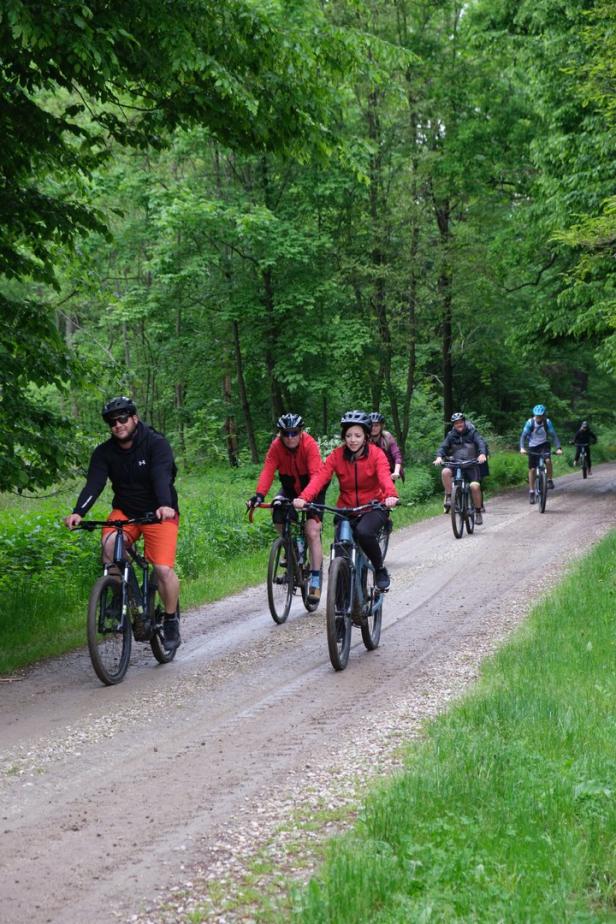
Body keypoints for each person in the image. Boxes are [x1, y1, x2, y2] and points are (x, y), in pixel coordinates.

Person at [64, 396, 181, 650]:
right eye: (112, 421)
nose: (118, 424)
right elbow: (94, 484)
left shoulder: (155, 443)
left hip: (159, 513)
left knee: (162, 569)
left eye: (123, 418)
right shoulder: (104, 452)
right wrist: (78, 512)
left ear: (134, 418)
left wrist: (164, 505)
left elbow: (162, 476)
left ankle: (171, 620)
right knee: (109, 549)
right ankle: (120, 596)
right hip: (125, 511)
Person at [293, 410, 398, 590]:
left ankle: (379, 569)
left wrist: (390, 495)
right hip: (346, 509)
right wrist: (304, 498)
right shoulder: (337, 455)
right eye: (348, 435)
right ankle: (341, 600)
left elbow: (384, 476)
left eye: (357, 435)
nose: (353, 440)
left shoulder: (376, 454)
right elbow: (320, 477)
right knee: (341, 548)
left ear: (366, 436)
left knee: (365, 533)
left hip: (373, 507)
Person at [247, 413, 325, 603]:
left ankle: (315, 579)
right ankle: (290, 547)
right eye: (285, 433)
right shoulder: (276, 446)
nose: (290, 437)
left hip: (313, 486)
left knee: (312, 531)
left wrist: (305, 498)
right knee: (277, 508)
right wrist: (259, 495)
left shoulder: (309, 445)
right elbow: (268, 470)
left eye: (294, 433)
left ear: (301, 432)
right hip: (290, 485)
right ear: (280, 434)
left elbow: (316, 475)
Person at [433, 412, 488, 525]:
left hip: (471, 464)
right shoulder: (451, 435)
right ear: (454, 425)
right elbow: (443, 447)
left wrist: (482, 454)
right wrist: (439, 457)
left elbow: (481, 443)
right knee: (445, 472)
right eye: (456, 423)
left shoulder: (472, 432)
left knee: (474, 486)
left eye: (460, 422)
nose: (459, 424)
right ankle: (449, 497)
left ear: (464, 422)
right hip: (456, 464)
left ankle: (478, 512)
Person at [519, 404, 562, 504]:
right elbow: (523, 437)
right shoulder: (530, 422)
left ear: (544, 415)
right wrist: (522, 448)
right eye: (537, 415)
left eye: (541, 415)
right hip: (532, 446)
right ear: (534, 415)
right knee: (532, 469)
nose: (539, 417)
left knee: (547, 460)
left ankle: (550, 480)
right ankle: (531, 492)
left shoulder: (547, 422)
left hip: (544, 445)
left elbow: (554, 436)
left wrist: (559, 448)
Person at [369, 412, 404, 481]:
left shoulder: (387, 437)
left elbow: (397, 455)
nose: (373, 428)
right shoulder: (364, 439)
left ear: (381, 426)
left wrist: (396, 471)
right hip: (372, 472)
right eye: (371, 425)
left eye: (376, 425)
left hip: (388, 471)